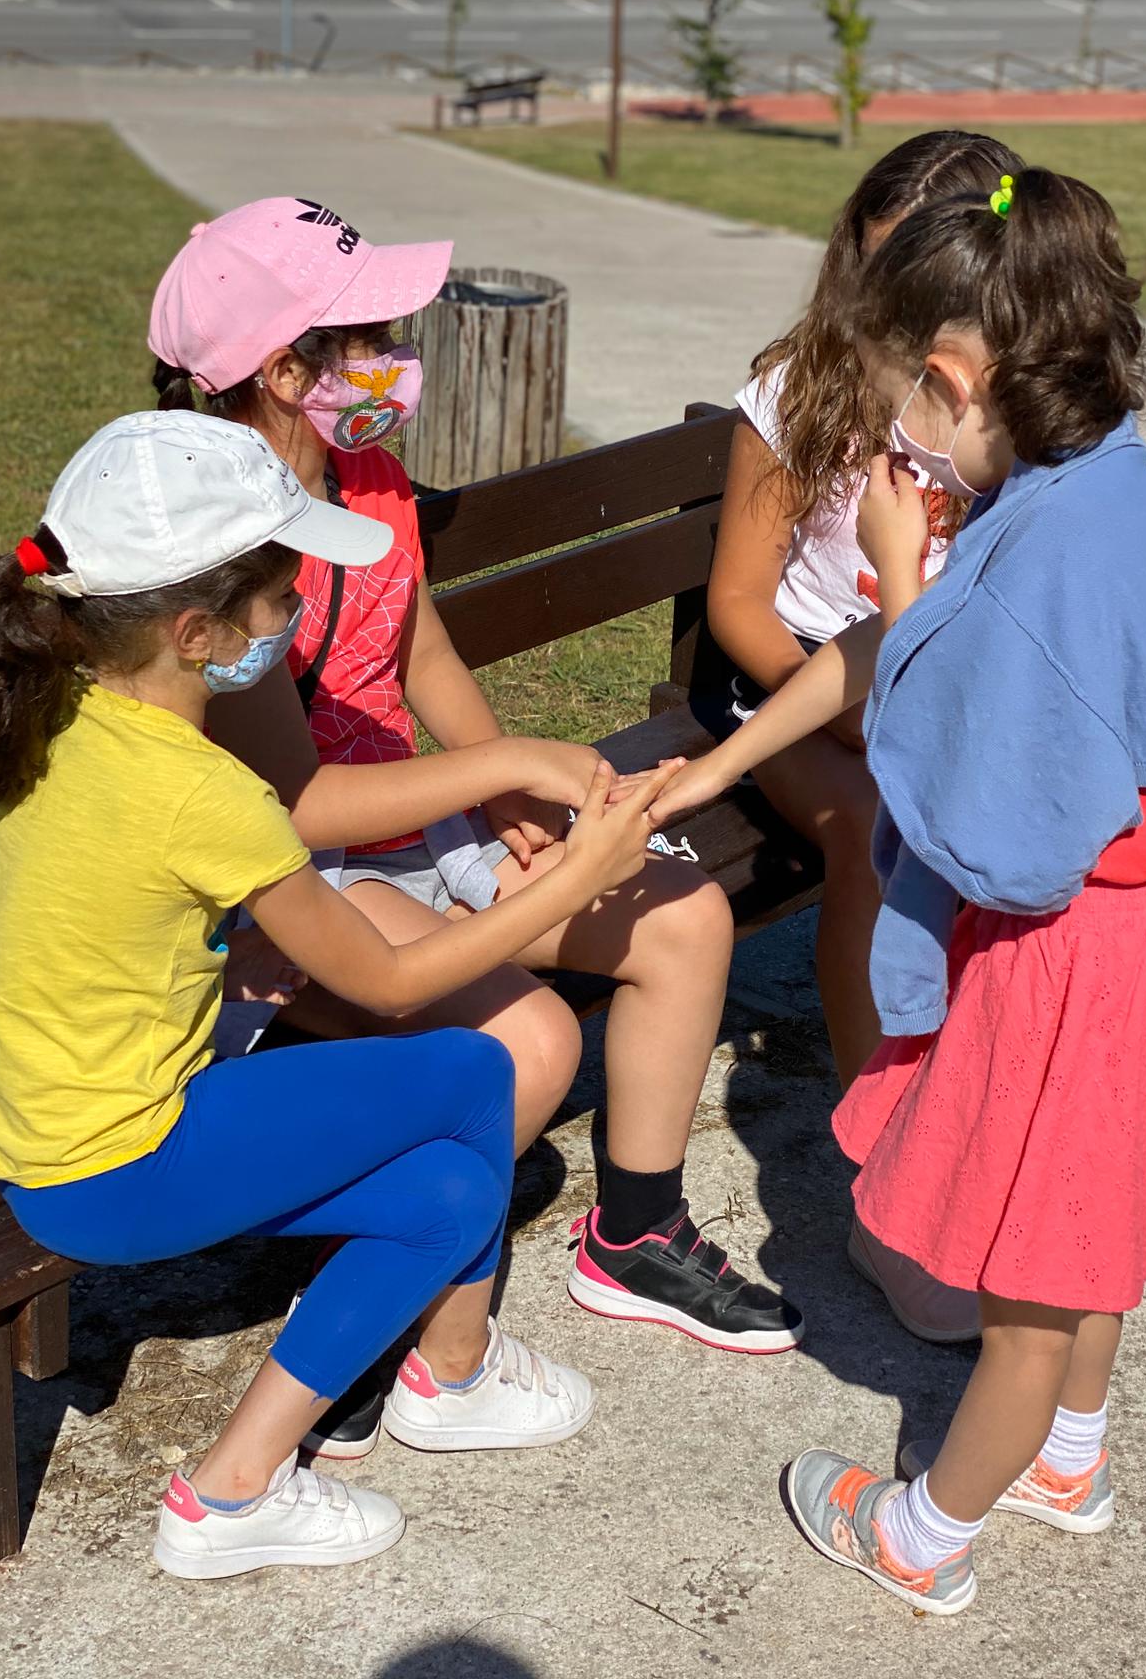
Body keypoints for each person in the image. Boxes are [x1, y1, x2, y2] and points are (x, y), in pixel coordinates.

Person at [643, 168, 1146, 1615]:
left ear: (951, 376)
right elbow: (911, 661)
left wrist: (896, 577)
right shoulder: (1097, 485)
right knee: (1095, 1240)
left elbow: (983, 811)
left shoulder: (1029, 564)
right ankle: (1071, 1463)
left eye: (897, 410)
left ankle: (924, 1536)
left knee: (1028, 1298)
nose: (897, 448)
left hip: (1076, 957)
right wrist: (716, 763)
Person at [0, 409, 679, 1580]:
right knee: (473, 1069)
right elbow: (389, 981)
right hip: (129, 1162)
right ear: (197, 633)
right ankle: (453, 1374)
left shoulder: (49, 709)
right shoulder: (210, 794)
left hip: (40, 1146)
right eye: (283, 595)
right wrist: (577, 878)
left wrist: (180, 945)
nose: (295, 615)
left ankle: (230, 1492)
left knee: (446, 1192)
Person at [147, 200, 803, 1458]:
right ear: (281, 372)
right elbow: (293, 808)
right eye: (368, 341)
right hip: (286, 881)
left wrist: (499, 798)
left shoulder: (366, 477)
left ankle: (635, 1233)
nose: (397, 362)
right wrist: (502, 769)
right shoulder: (215, 545)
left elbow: (419, 650)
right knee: (523, 1042)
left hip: (410, 824)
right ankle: (368, 1299)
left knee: (683, 917)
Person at [707, 131, 1023, 1345]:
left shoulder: (1007, 396)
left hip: (943, 694)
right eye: (886, 267)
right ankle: (887, 1195)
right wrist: (844, 705)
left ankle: (980, 1132)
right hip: (792, 689)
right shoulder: (803, 389)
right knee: (878, 836)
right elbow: (740, 605)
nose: (902, 303)